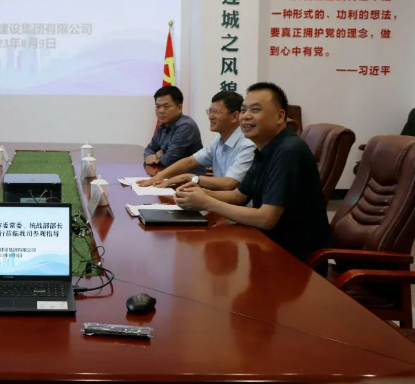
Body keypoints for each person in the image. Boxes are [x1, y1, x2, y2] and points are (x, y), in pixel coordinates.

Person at [175, 82, 330, 260]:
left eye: (255, 110)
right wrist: (197, 193)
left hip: (293, 258)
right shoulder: (264, 147)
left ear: (280, 116)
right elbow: (238, 196)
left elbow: (266, 218)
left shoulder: (288, 151)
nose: (246, 116)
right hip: (266, 243)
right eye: (243, 110)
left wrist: (206, 202)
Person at [138, 91, 254, 190]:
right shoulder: (218, 140)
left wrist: (189, 178)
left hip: (236, 205)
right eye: (210, 111)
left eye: (215, 112)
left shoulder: (247, 145)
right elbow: (190, 161)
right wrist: (158, 177)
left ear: (234, 116)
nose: (210, 116)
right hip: (218, 197)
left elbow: (229, 183)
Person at [143, 85, 203, 170]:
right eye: (158, 106)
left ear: (179, 108)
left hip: (189, 175)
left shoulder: (186, 126)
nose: (161, 111)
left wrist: (157, 156)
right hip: (166, 172)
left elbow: (170, 160)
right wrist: (150, 156)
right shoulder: (162, 126)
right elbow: (149, 149)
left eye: (166, 106)